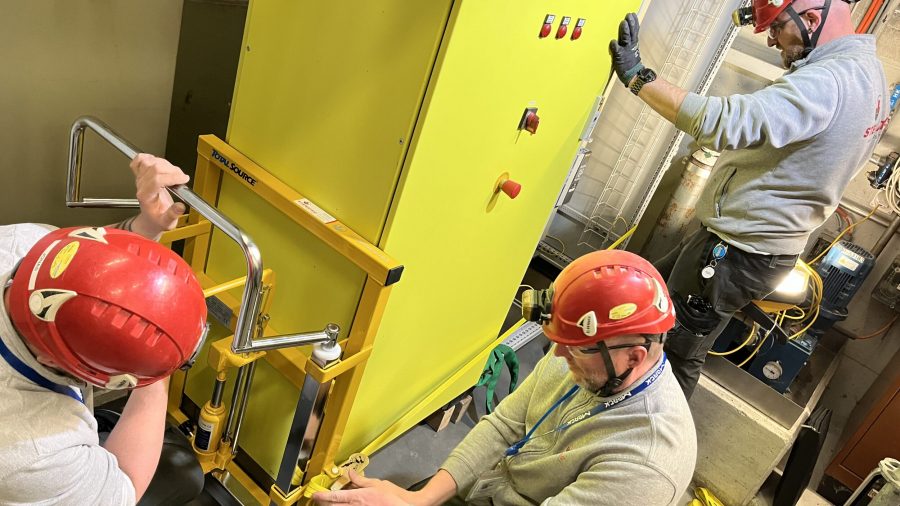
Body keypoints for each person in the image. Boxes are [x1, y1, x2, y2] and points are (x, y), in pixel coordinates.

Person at [608, 0, 889, 397]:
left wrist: (638, 78)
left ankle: (655, 433)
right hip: (753, 246)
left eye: (775, 28)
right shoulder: (868, 72)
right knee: (652, 300)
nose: (772, 40)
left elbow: (721, 123)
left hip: (740, 251)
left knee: (675, 354)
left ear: (811, 18)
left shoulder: (826, 82)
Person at [312, 250, 696, 505]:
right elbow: (503, 426)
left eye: (575, 349)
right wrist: (418, 501)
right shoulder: (588, 360)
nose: (557, 356)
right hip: (494, 488)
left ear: (633, 357)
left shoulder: (645, 467)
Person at [0, 154, 208, 504]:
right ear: (49, 359)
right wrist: (158, 369)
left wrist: (147, 225)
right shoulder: (33, 451)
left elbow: (87, 266)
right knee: (185, 474)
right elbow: (124, 488)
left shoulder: (23, 243)